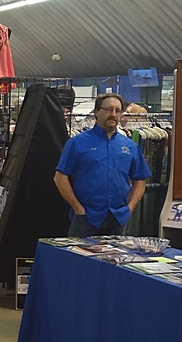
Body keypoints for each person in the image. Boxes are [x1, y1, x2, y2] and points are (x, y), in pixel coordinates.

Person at [53, 93, 151, 237]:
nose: (113, 114)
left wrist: (130, 208)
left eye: (118, 110)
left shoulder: (129, 146)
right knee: (79, 258)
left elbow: (140, 179)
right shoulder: (77, 143)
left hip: (118, 219)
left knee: (114, 259)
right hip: (86, 219)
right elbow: (60, 178)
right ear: (96, 112)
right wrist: (78, 208)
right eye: (109, 109)